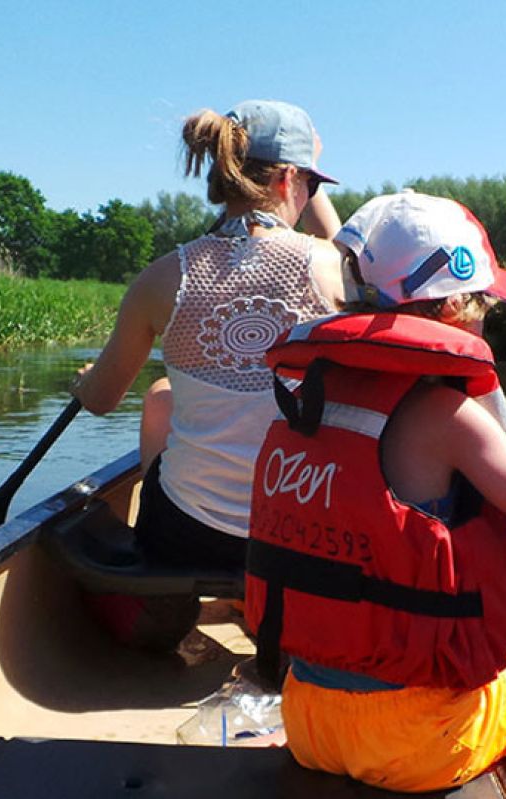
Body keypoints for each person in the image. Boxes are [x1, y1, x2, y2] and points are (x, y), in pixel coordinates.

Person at [245, 191, 506, 791]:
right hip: (420, 750)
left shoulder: (314, 398)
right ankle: (500, 745)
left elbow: (385, 481)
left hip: (311, 724)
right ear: (456, 308)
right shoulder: (451, 414)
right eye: (485, 307)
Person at [71, 99, 346, 649]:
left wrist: (82, 382)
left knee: (162, 394)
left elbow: (100, 400)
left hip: (185, 539)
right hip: (307, 539)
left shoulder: (160, 278)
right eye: (311, 185)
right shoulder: (338, 270)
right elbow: (342, 240)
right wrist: (312, 193)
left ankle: (170, 598)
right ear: (290, 178)